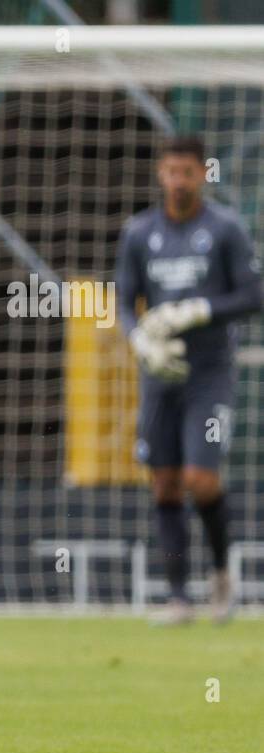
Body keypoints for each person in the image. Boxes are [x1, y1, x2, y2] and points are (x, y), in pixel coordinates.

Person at [117, 135, 262, 625]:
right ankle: (179, 598)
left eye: (188, 172)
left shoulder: (224, 230)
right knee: (164, 484)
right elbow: (123, 300)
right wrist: (137, 338)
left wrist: (200, 308)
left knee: (201, 479)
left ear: (204, 174)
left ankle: (222, 574)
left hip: (210, 373)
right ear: (161, 174)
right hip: (161, 374)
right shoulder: (139, 233)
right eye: (171, 172)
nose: (179, 181)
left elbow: (252, 295)